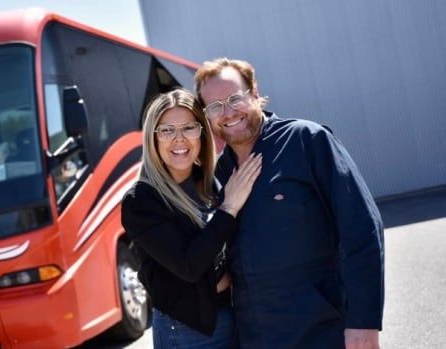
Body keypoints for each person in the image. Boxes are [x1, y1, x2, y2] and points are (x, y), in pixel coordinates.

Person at [195, 57, 385, 349]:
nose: (228, 112)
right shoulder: (219, 174)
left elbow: (362, 230)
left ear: (255, 94)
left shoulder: (307, 141)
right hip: (257, 337)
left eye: (235, 98)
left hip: (324, 330)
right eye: (215, 106)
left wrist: (364, 321)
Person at [121, 88, 262, 348]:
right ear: (152, 139)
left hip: (233, 314)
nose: (179, 139)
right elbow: (188, 266)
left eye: (188, 128)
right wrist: (229, 208)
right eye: (166, 130)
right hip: (187, 329)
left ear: (201, 134)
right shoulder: (140, 202)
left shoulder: (209, 183)